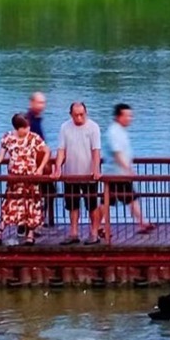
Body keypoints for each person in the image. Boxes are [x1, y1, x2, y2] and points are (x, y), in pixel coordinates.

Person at [0, 113, 49, 245]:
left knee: (31, 206)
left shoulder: (34, 138)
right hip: (14, 180)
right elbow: (0, 156)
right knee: (9, 205)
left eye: (28, 126)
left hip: (30, 179)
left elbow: (47, 151)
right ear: (18, 128)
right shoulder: (8, 138)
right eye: (25, 127)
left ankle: (30, 235)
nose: (28, 129)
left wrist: (40, 169)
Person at [104, 102, 154, 238]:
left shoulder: (120, 131)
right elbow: (117, 153)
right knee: (109, 201)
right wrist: (128, 169)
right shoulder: (114, 132)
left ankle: (142, 222)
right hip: (116, 173)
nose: (130, 118)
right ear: (119, 116)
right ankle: (99, 227)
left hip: (120, 173)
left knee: (128, 199)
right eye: (127, 116)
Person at [56, 101, 103, 245]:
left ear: (86, 113)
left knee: (92, 205)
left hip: (88, 175)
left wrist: (95, 169)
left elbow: (96, 150)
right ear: (71, 115)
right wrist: (58, 167)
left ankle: (94, 233)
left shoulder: (93, 127)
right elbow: (61, 150)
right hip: (70, 174)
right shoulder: (65, 127)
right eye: (76, 115)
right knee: (72, 205)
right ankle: (73, 233)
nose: (79, 118)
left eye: (81, 114)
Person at [24, 91, 55, 225]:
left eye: (43, 103)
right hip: (35, 166)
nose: (42, 106)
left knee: (46, 193)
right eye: (39, 102)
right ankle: (37, 222)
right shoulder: (29, 121)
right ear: (32, 103)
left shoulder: (34, 120)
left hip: (39, 165)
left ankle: (39, 221)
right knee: (44, 193)